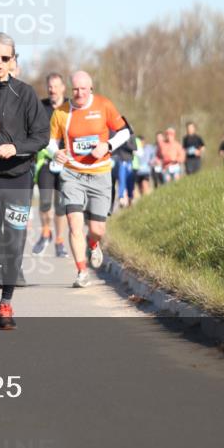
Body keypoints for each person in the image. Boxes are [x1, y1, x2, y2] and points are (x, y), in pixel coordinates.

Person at [0, 33, 48, 330]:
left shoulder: (26, 94)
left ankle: (6, 302)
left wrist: (16, 148)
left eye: (5, 58)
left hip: (18, 180)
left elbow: (41, 136)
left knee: (13, 243)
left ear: (14, 60)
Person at [48, 71, 130, 288]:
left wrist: (108, 145)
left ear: (91, 89)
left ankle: (93, 244)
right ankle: (82, 272)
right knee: (75, 225)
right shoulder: (61, 113)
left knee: (97, 229)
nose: (79, 93)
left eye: (83, 89)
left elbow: (125, 132)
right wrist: (54, 153)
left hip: (100, 173)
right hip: (72, 174)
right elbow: (49, 141)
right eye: (75, 89)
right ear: (70, 89)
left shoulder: (104, 105)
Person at [31, 73, 69, 258]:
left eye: (56, 86)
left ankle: (60, 241)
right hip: (46, 160)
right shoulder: (40, 106)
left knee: (61, 205)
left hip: (66, 162)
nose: (52, 90)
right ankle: (46, 232)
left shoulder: (70, 107)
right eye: (50, 87)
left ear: (63, 87)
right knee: (45, 202)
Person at [111, 134, 135, 210]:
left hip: (129, 161)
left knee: (130, 181)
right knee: (121, 180)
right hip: (120, 161)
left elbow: (134, 147)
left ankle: (130, 199)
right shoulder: (117, 135)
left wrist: (124, 143)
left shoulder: (131, 136)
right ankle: (121, 198)